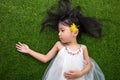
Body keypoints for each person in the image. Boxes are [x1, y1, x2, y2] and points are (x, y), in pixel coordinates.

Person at [16, 0, 105, 80]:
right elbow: (45, 58)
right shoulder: (59, 45)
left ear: (75, 32)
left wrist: (81, 73)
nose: (59, 34)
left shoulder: (83, 48)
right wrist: (29, 50)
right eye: (59, 31)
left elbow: (89, 65)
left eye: (62, 30)